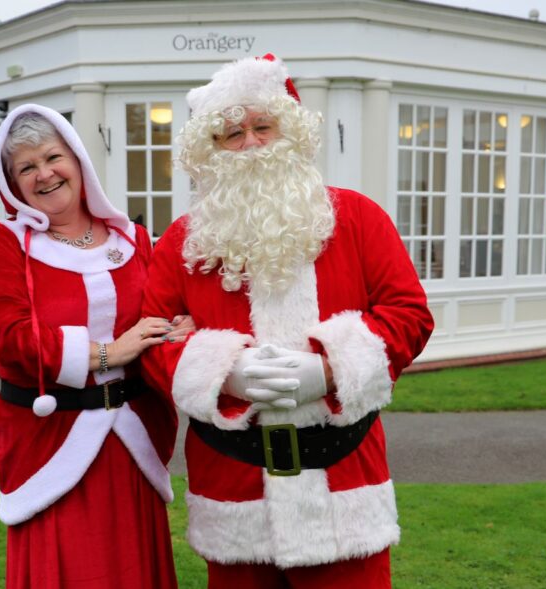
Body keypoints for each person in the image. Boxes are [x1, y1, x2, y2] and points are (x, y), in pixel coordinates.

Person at [141, 55, 434, 588]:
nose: (250, 142)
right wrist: (221, 372)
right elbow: (152, 339)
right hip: (233, 489)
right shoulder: (182, 244)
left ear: (289, 131)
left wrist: (329, 370)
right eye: (231, 133)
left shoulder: (359, 218)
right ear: (211, 150)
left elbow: (409, 315)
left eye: (262, 126)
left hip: (345, 484)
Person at [0, 103, 191, 589]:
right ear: (11, 182)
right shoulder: (5, 244)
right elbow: (6, 336)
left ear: (78, 159)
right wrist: (109, 353)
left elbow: (162, 313)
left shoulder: (132, 240)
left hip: (132, 444)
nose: (44, 174)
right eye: (26, 167)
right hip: (50, 444)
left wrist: (181, 326)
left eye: (53, 157)